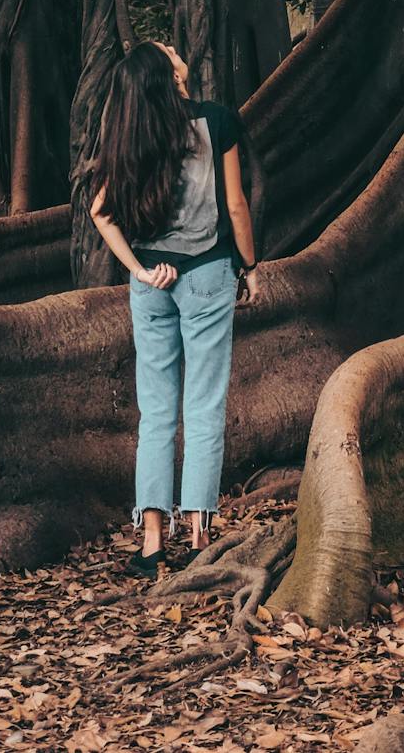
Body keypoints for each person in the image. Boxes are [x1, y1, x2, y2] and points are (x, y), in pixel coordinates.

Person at [89, 40, 258, 579]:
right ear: (168, 72)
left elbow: (101, 213)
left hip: (152, 285)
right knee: (204, 406)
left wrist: (138, 269)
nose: (171, 46)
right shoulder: (215, 121)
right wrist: (249, 264)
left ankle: (151, 544)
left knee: (157, 413)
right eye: (164, 48)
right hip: (208, 274)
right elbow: (234, 204)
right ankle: (199, 536)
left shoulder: (128, 132)